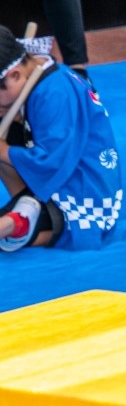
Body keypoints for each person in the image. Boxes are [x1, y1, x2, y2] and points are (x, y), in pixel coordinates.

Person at [0, 26, 119, 250]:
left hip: (82, 184)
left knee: (63, 228)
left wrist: (4, 150)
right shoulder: (28, 78)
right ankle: (25, 208)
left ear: (14, 75)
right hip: (49, 178)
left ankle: (23, 218)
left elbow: (53, 159)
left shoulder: (55, 91)